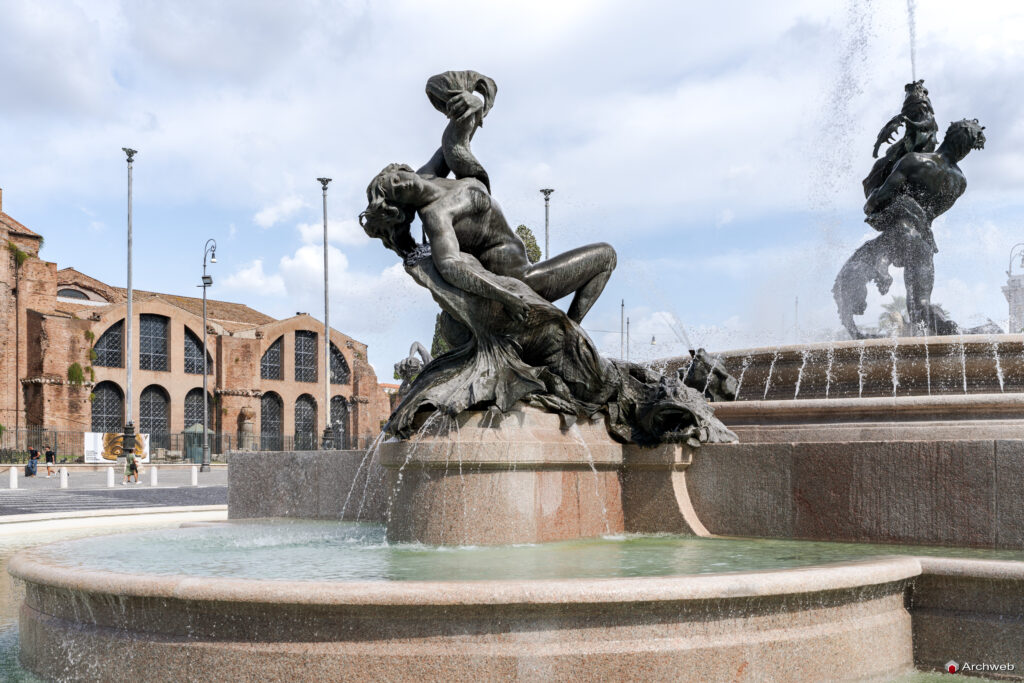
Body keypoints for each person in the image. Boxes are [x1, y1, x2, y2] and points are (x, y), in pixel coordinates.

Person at [361, 164, 616, 328]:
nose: (403, 184)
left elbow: (454, 138)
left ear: (402, 169)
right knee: (606, 256)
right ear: (402, 206)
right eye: (398, 192)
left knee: (606, 255)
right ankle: (573, 329)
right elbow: (450, 266)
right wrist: (503, 295)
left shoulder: (430, 174)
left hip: (526, 268)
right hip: (522, 280)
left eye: (397, 179)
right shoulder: (436, 215)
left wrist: (465, 99)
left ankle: (571, 330)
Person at [833, 118, 986, 337]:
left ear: (948, 135)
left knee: (854, 270)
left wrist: (874, 188)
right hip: (923, 245)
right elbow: (929, 215)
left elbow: (877, 201)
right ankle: (951, 329)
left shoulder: (914, 160)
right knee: (920, 308)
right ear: (967, 149)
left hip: (901, 232)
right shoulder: (959, 181)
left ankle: (881, 267)